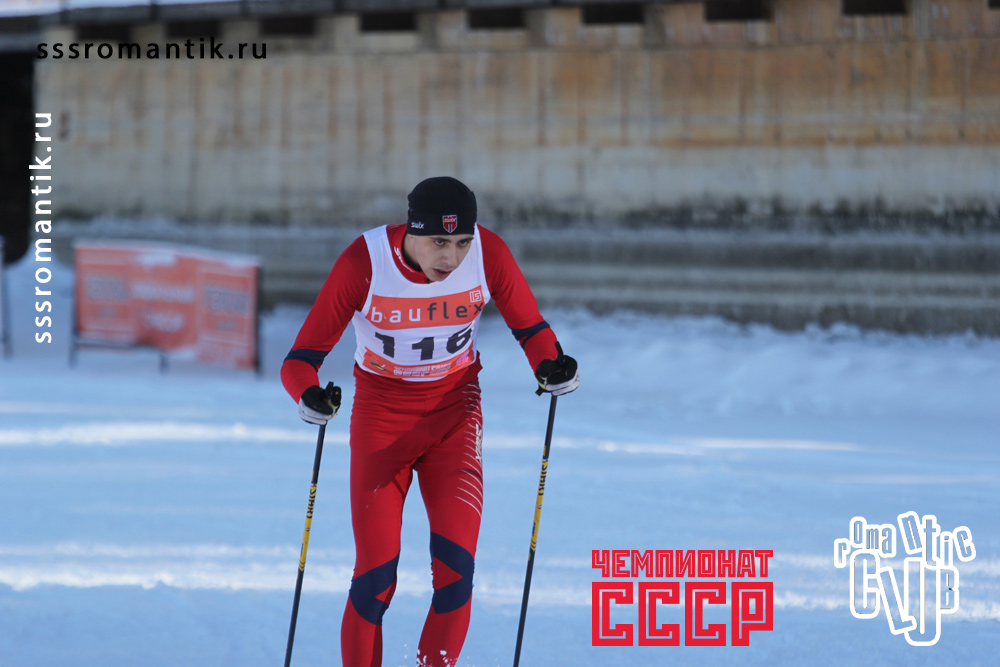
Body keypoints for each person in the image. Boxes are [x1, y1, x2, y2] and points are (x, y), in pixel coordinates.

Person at [280, 176, 579, 667]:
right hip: (382, 421)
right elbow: (301, 359)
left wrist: (551, 366)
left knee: (456, 573)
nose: (452, 257)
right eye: (439, 242)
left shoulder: (489, 254)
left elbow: (531, 329)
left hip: (455, 417)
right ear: (411, 231)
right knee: (376, 577)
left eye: (462, 242)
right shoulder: (365, 262)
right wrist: (309, 396)